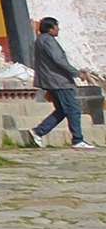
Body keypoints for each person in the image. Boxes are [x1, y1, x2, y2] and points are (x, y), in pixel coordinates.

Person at [27, 17, 99, 150]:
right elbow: (59, 60)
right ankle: (77, 139)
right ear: (50, 29)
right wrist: (77, 73)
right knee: (73, 109)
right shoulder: (48, 40)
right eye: (56, 27)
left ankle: (38, 131)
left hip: (52, 80)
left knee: (62, 110)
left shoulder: (40, 40)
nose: (58, 29)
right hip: (59, 81)